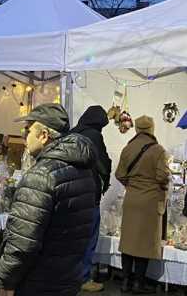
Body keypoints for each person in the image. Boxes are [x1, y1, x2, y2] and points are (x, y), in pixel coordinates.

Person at [0, 103, 96, 296]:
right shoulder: (84, 170)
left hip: (38, 282)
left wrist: (6, 279)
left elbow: (22, 242)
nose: (24, 135)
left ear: (44, 136)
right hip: (67, 278)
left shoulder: (41, 175)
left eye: (28, 130)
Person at [116, 115, 170, 294]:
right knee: (143, 243)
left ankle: (125, 282)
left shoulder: (128, 148)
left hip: (131, 199)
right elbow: (163, 176)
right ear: (152, 129)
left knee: (129, 241)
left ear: (137, 129)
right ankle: (139, 284)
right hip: (150, 201)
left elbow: (119, 174)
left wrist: (132, 185)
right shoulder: (158, 150)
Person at [71, 105, 112, 292]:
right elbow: (103, 162)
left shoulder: (72, 133)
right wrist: (104, 182)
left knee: (71, 238)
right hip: (89, 194)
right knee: (88, 238)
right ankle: (84, 278)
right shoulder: (95, 136)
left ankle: (69, 275)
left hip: (70, 193)